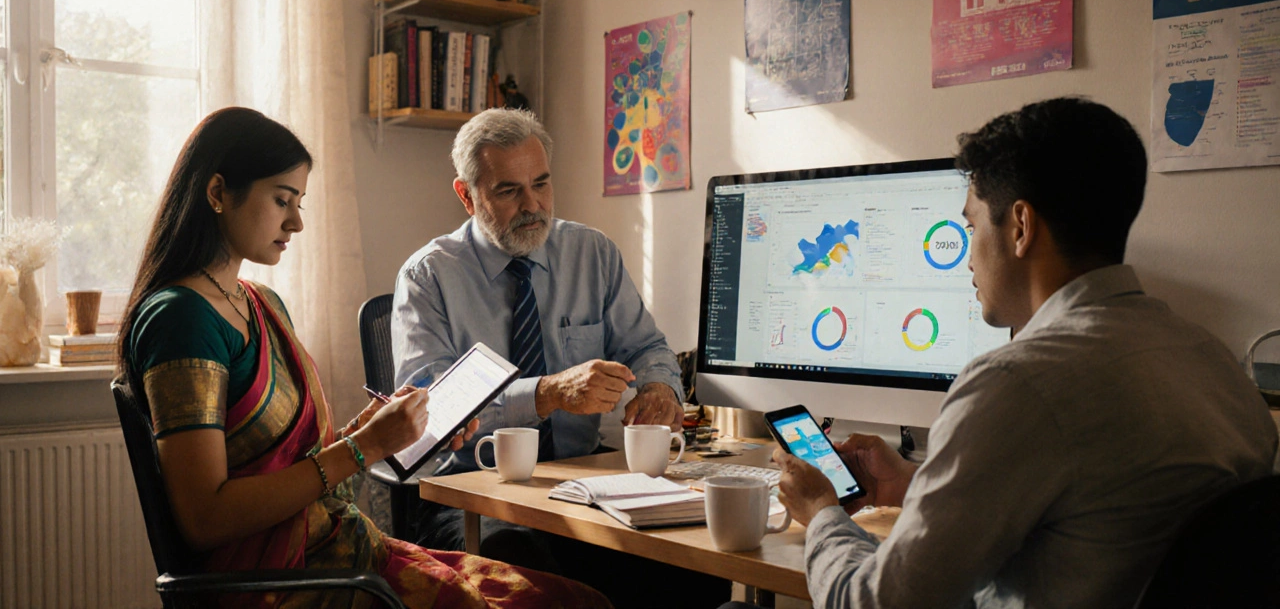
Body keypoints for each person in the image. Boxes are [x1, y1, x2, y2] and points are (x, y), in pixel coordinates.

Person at [763, 97, 1279, 609]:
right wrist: (916, 486)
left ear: (1020, 227)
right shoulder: (1213, 361)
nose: (967, 254)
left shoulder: (1014, 383)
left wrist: (823, 511)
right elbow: (1095, 517)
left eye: (970, 226)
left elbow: (879, 604)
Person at [117, 107, 610, 609]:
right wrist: (363, 447)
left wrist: (375, 429)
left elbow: (296, 463)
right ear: (218, 193)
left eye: (300, 201)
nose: (297, 221)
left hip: (343, 554)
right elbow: (206, 520)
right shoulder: (181, 320)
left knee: (577, 595)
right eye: (282, 200)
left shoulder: (259, 302)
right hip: (288, 583)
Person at [392, 108, 726, 607]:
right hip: (469, 491)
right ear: (467, 196)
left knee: (694, 563)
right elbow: (433, 411)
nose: (534, 205)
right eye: (509, 191)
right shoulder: (428, 277)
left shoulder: (592, 253)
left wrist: (660, 387)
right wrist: (547, 393)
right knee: (520, 563)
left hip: (581, 484)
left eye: (542, 184)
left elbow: (648, 347)